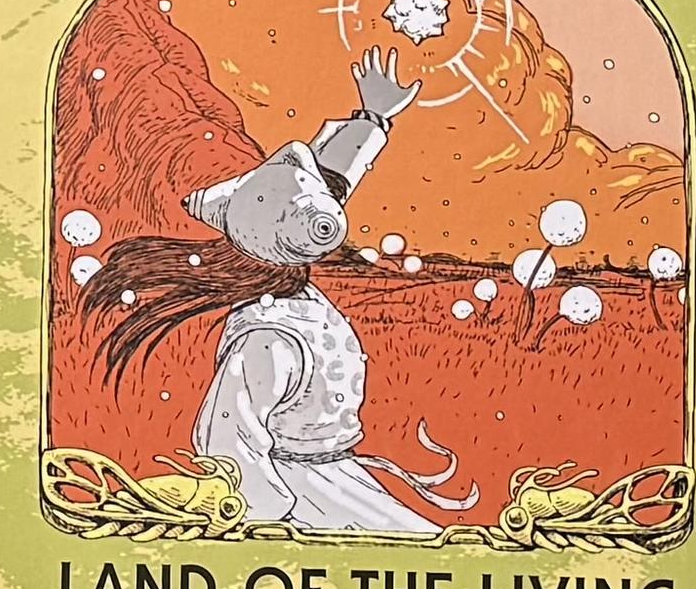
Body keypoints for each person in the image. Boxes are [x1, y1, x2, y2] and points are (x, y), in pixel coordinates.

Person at [81, 47, 468, 533]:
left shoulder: (287, 290)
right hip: (300, 493)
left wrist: (373, 117)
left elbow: (326, 186)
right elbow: (228, 434)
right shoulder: (269, 336)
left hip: (336, 475)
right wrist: (265, 517)